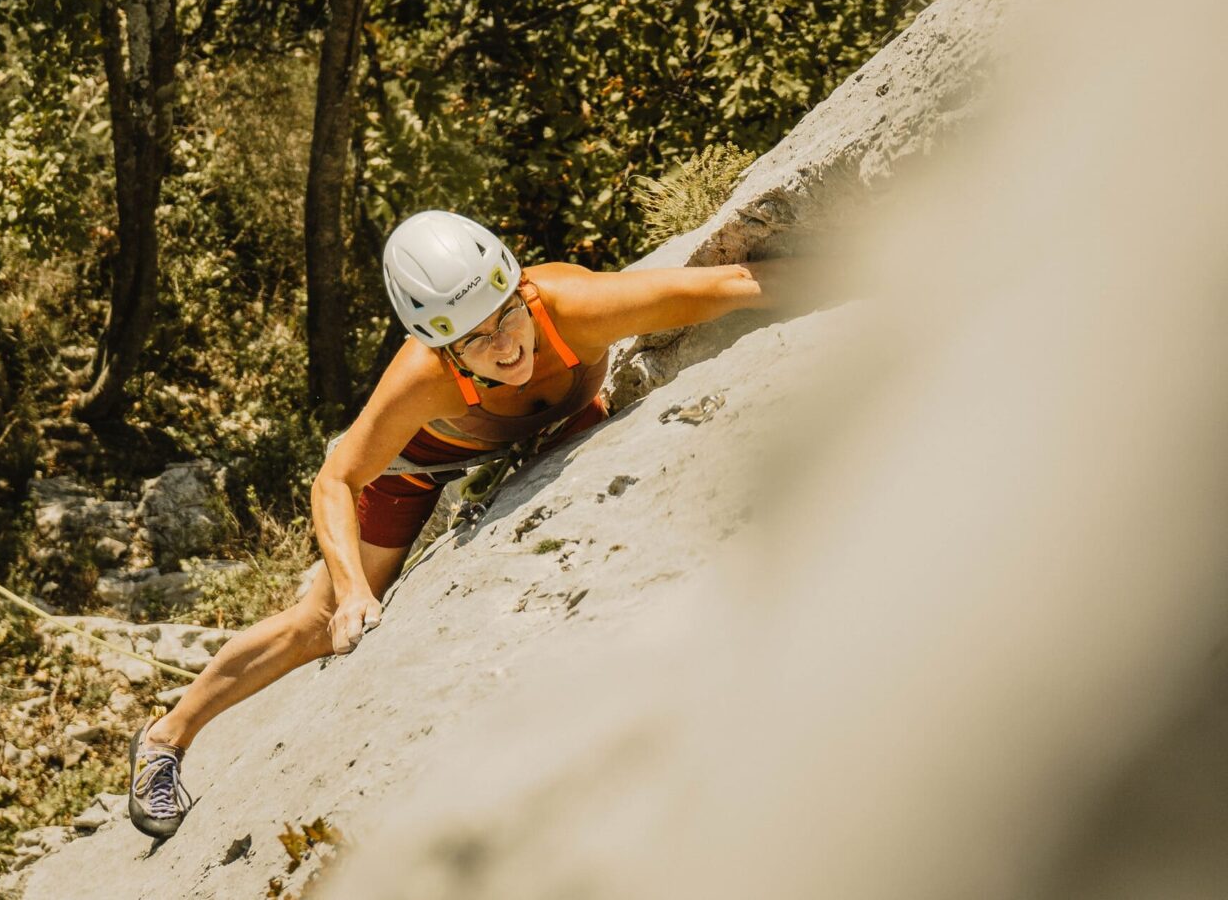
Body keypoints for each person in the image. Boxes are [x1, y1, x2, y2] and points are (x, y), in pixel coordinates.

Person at [126, 210, 780, 837]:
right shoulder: (421, 378)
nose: (504, 345)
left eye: (506, 317)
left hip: (548, 430)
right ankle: (165, 739)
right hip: (416, 468)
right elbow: (335, 479)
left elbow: (733, 285)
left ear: (522, 290)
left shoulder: (571, 306)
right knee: (317, 624)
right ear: (443, 348)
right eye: (474, 340)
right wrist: (353, 589)